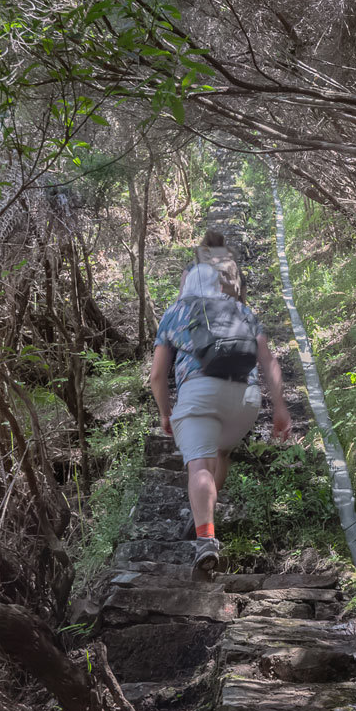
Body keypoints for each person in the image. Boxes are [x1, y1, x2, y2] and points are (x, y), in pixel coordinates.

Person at [149, 262, 292, 572]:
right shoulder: (241, 310)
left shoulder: (176, 311)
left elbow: (158, 376)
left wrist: (165, 413)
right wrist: (280, 408)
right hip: (245, 400)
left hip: (200, 394)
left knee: (199, 463)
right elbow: (268, 361)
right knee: (221, 451)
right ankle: (206, 510)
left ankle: (206, 538)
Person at [194, 228, 244, 300]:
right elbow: (241, 285)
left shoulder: (198, 259)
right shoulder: (230, 257)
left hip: (205, 300)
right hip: (230, 298)